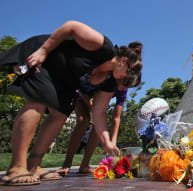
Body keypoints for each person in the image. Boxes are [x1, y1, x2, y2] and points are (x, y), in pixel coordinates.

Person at [0, 21, 142, 186]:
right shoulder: (103, 47)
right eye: (127, 74)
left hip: (65, 81)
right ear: (123, 61)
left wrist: (107, 142)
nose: (124, 79)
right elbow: (71, 26)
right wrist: (43, 50)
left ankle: (34, 165)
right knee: (38, 101)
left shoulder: (110, 83)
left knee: (60, 114)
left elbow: (99, 112)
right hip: (46, 58)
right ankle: (16, 167)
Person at [58, 71, 141, 176]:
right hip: (81, 95)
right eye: (123, 83)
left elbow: (116, 117)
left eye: (127, 86)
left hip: (96, 103)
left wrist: (113, 141)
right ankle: (67, 164)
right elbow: (81, 88)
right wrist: (91, 105)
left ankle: (85, 165)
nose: (122, 88)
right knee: (83, 120)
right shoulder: (107, 78)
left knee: (101, 127)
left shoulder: (123, 90)